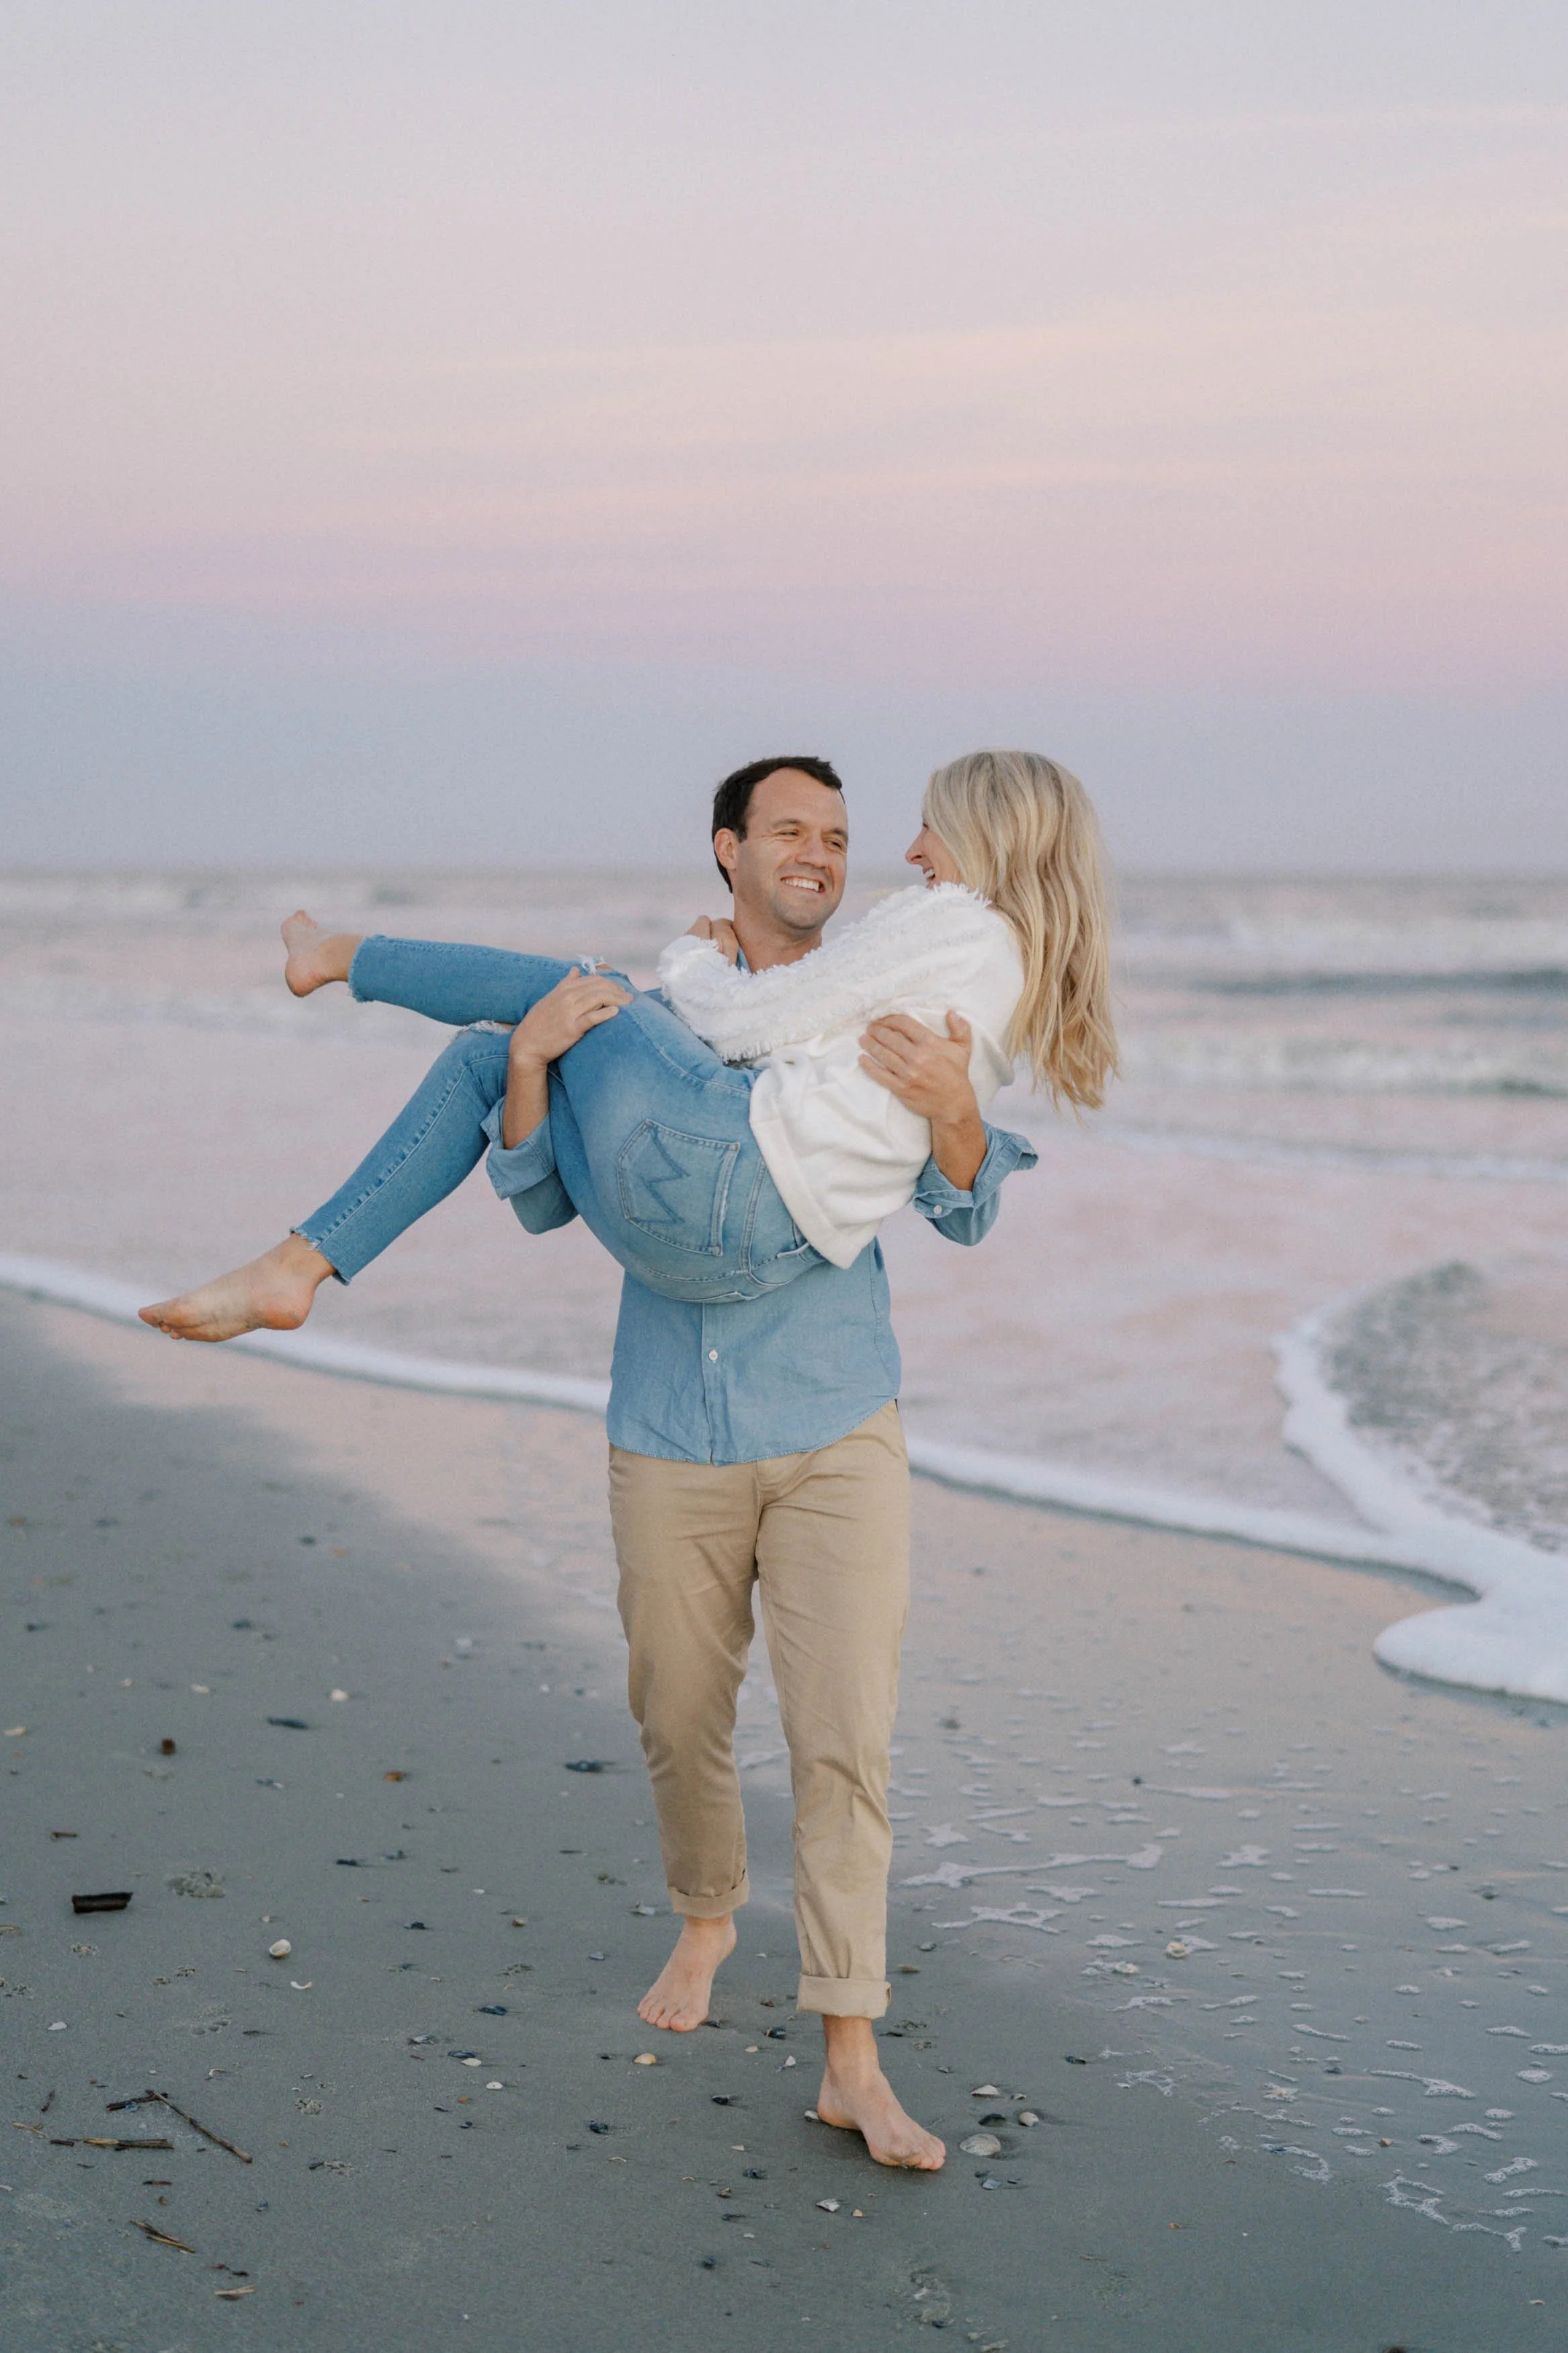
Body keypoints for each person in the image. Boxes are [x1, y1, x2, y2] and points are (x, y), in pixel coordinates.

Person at [142, 752, 1116, 2169]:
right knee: (676, 1707)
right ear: (728, 850)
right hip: (669, 1420)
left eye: (839, 835)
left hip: (831, 1419)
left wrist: (960, 1115)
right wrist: (528, 1064)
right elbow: (542, 1196)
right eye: (790, 830)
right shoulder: (665, 1019)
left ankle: (851, 2057)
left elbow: (960, 1210)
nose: (824, 854)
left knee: (844, 1740)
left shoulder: (877, 978)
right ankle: (707, 1915)